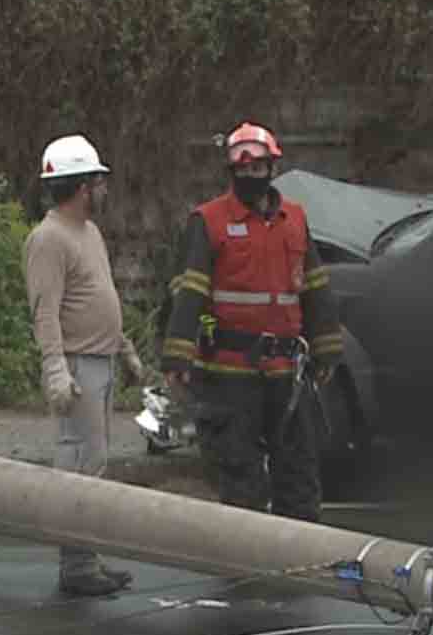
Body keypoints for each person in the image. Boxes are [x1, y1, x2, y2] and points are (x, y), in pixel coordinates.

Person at [160, 121, 342, 522]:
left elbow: (315, 287)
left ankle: (301, 561)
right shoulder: (208, 221)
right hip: (230, 376)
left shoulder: (295, 219)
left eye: (257, 169)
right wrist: (177, 358)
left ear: (271, 168)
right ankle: (245, 570)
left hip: (286, 374)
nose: (249, 176)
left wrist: (327, 349)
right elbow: (189, 292)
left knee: (298, 473)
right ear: (231, 172)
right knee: (240, 478)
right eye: (242, 170)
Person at [22, 133, 151, 597]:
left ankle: (86, 557)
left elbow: (99, 298)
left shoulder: (89, 233)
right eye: (98, 181)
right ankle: (76, 567)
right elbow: (46, 311)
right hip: (77, 367)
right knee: (77, 462)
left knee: (94, 463)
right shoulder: (48, 239)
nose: (104, 189)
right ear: (81, 187)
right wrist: (56, 369)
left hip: (100, 359)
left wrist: (124, 348)